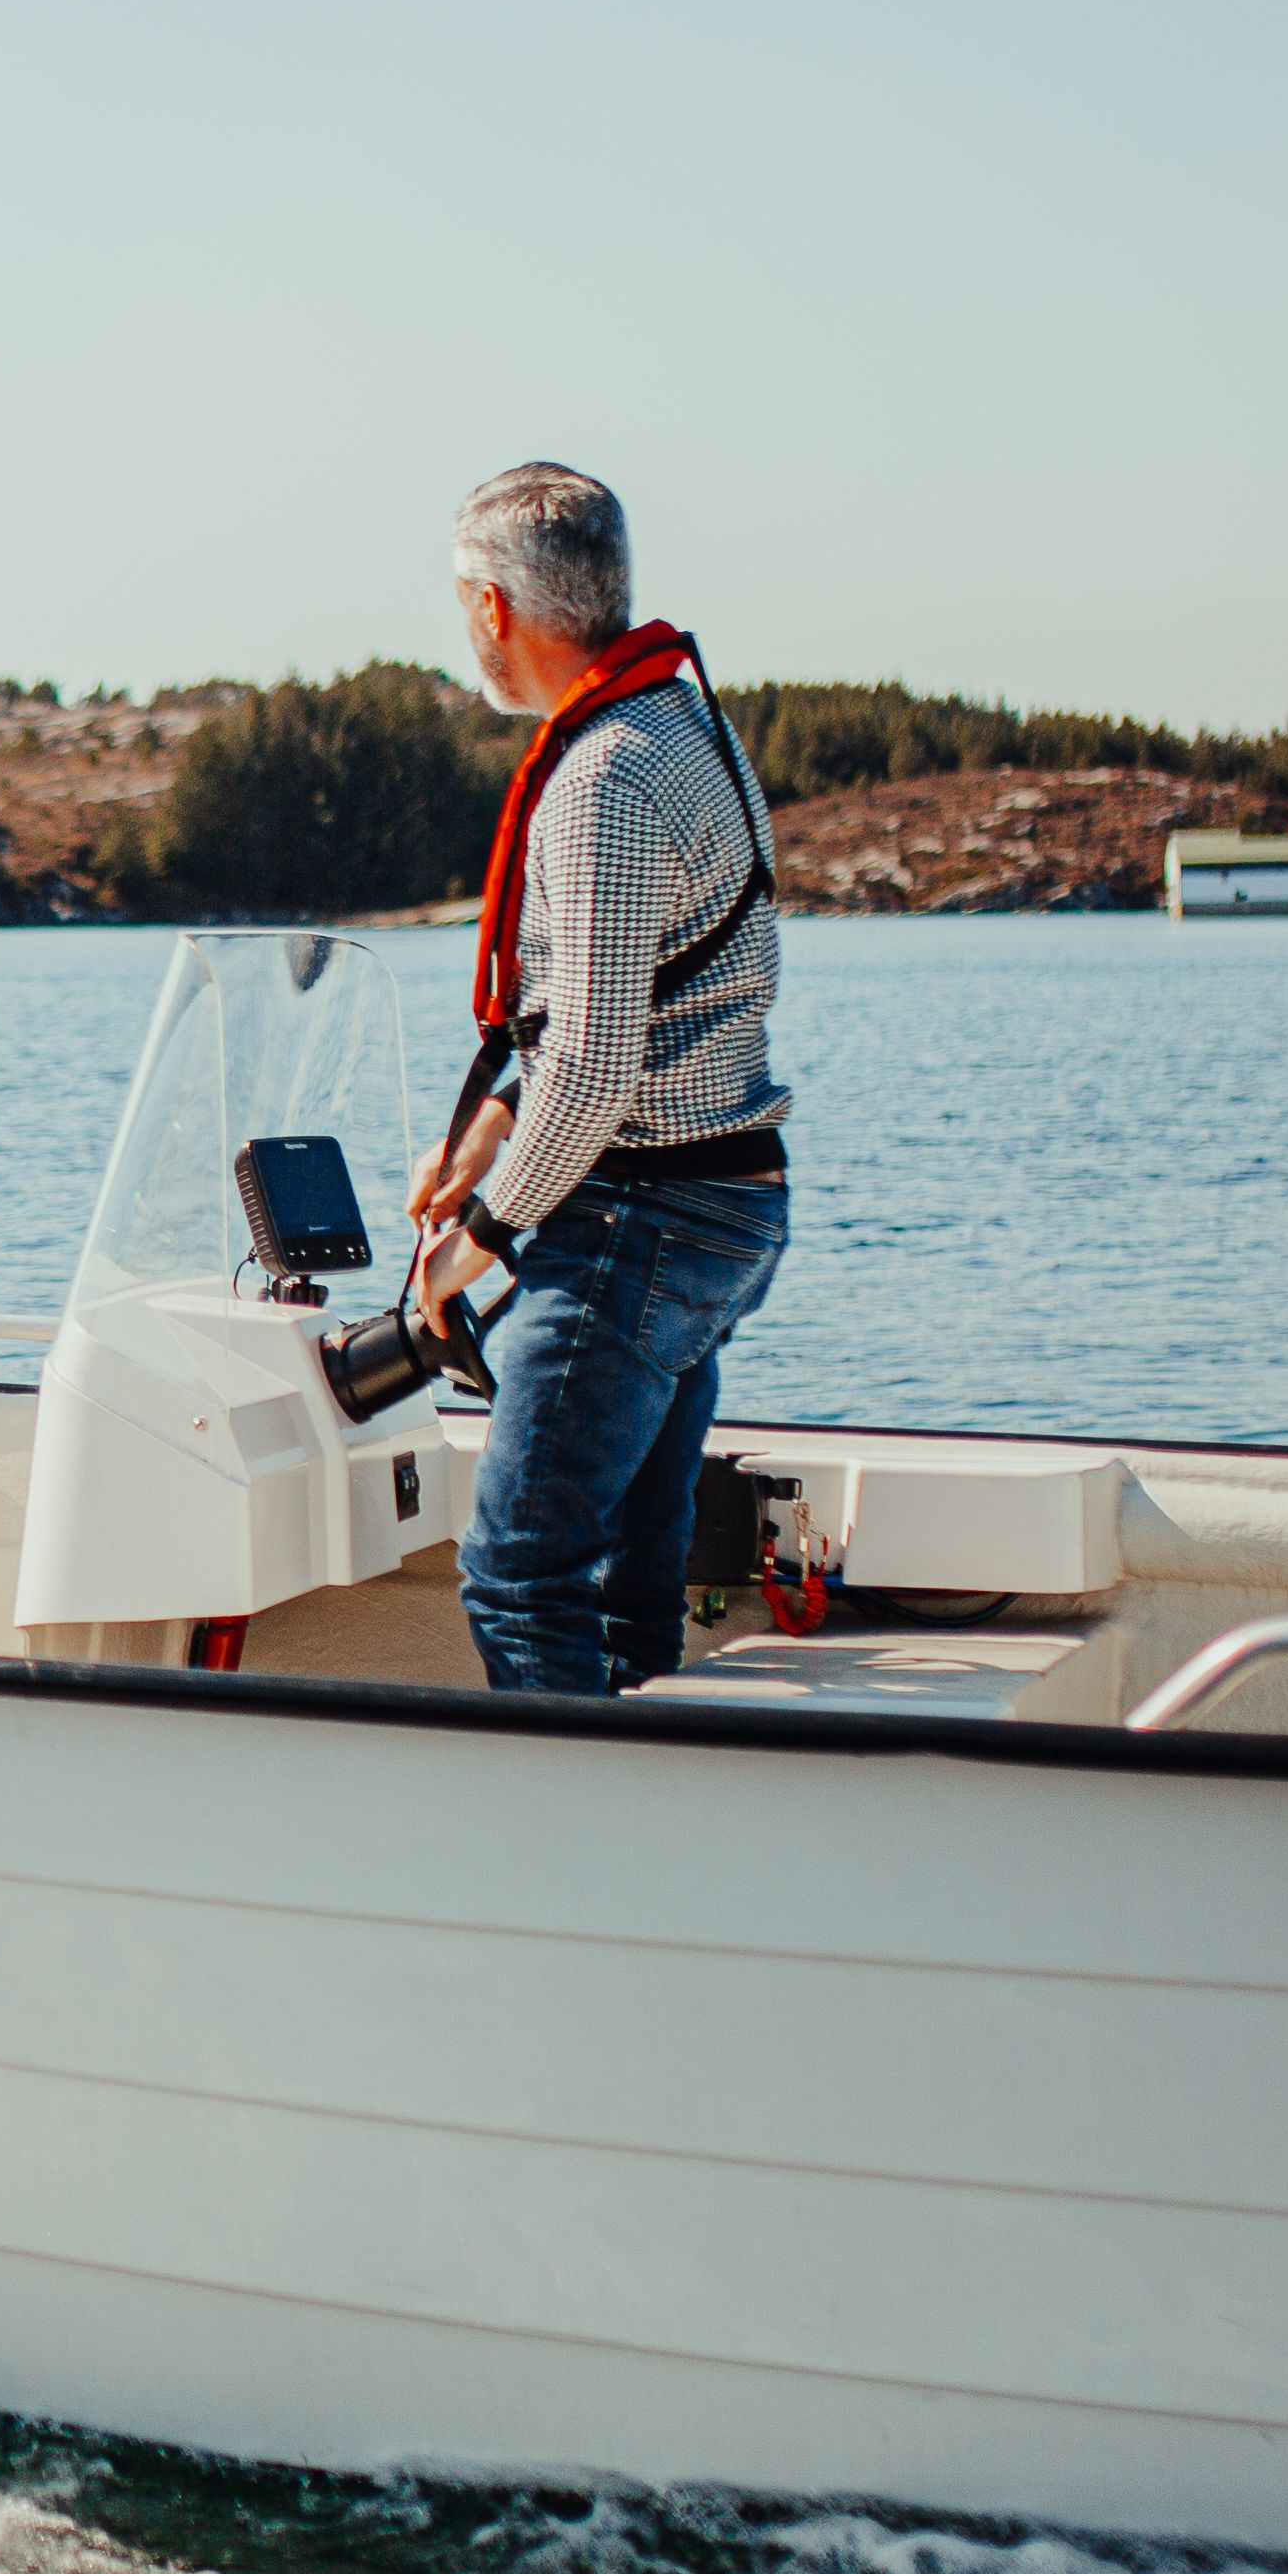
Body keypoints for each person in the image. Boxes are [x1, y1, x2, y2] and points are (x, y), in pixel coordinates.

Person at [399, 463, 791, 1695]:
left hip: (638, 1223)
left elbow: (596, 1067)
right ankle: (635, 1798)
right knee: (628, 1581)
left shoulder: (604, 780)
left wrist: (476, 1237)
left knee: (518, 1576)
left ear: (494, 608)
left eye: (462, 603)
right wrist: (491, 1125)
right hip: (725, 1211)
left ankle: (565, 1815)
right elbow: (637, 1010)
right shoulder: (691, 731)